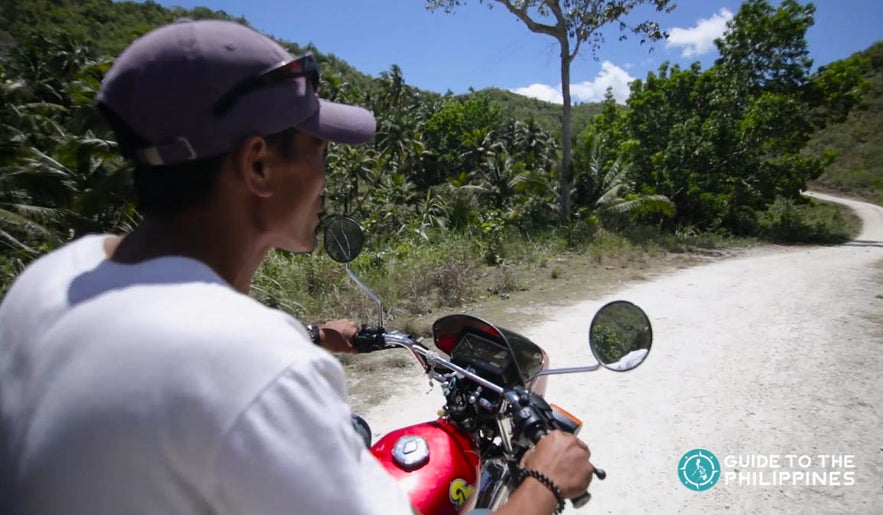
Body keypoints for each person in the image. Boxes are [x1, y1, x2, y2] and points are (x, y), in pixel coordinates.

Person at [0, 19, 593, 514]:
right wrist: (543, 482)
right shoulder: (259, 367)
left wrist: (307, 333)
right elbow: (225, 364)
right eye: (319, 149)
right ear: (257, 165)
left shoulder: (54, 276)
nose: (325, 177)